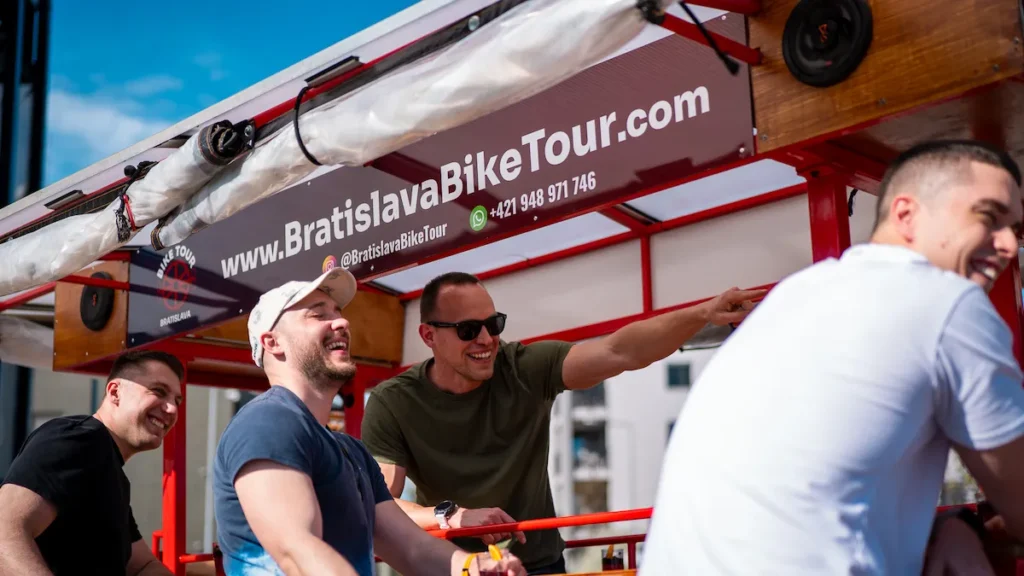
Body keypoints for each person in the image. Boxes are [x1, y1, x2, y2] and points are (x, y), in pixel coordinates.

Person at [639, 139, 1024, 575]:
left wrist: (949, 529)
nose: (1009, 244)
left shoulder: (797, 294)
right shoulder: (946, 300)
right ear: (906, 214)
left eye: (1016, 229)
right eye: (990, 219)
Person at [360, 269, 765, 574]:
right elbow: (382, 503)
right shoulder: (393, 401)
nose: (486, 339)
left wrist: (704, 313)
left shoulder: (524, 368)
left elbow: (620, 352)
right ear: (428, 336)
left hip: (540, 566)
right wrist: (456, 516)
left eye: (493, 324)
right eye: (468, 329)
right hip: (458, 568)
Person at [212, 268, 526, 576]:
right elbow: (297, 552)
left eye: (338, 311)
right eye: (318, 314)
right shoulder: (268, 421)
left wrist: (475, 567)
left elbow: (411, 548)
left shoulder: (352, 452)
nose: (342, 321)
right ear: (272, 342)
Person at [0, 349, 185, 576]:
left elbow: (142, 567)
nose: (172, 408)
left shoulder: (110, 469)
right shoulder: (79, 440)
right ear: (115, 392)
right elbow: (4, 530)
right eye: (158, 391)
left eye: (177, 400)